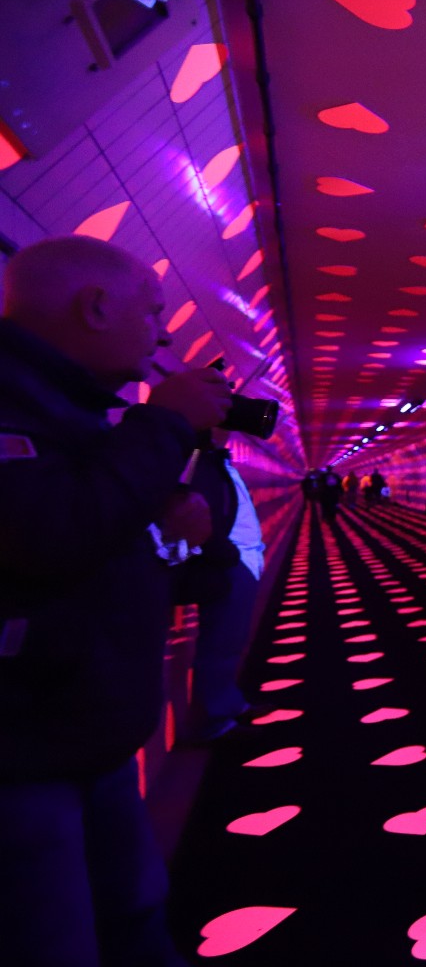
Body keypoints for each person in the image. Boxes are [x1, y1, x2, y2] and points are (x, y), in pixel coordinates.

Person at [0, 235, 232, 966]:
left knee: (133, 911)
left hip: (80, 728)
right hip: (21, 752)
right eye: (153, 311)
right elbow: (47, 533)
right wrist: (165, 424)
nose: (162, 334)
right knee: (54, 942)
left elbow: (80, 517)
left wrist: (161, 513)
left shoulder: (69, 408)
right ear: (97, 307)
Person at [177, 427, 269, 744]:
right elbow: (199, 512)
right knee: (220, 642)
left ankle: (229, 704)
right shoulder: (197, 461)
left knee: (232, 640)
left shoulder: (216, 461)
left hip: (241, 560)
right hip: (229, 562)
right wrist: (226, 554)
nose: (225, 429)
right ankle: (213, 720)